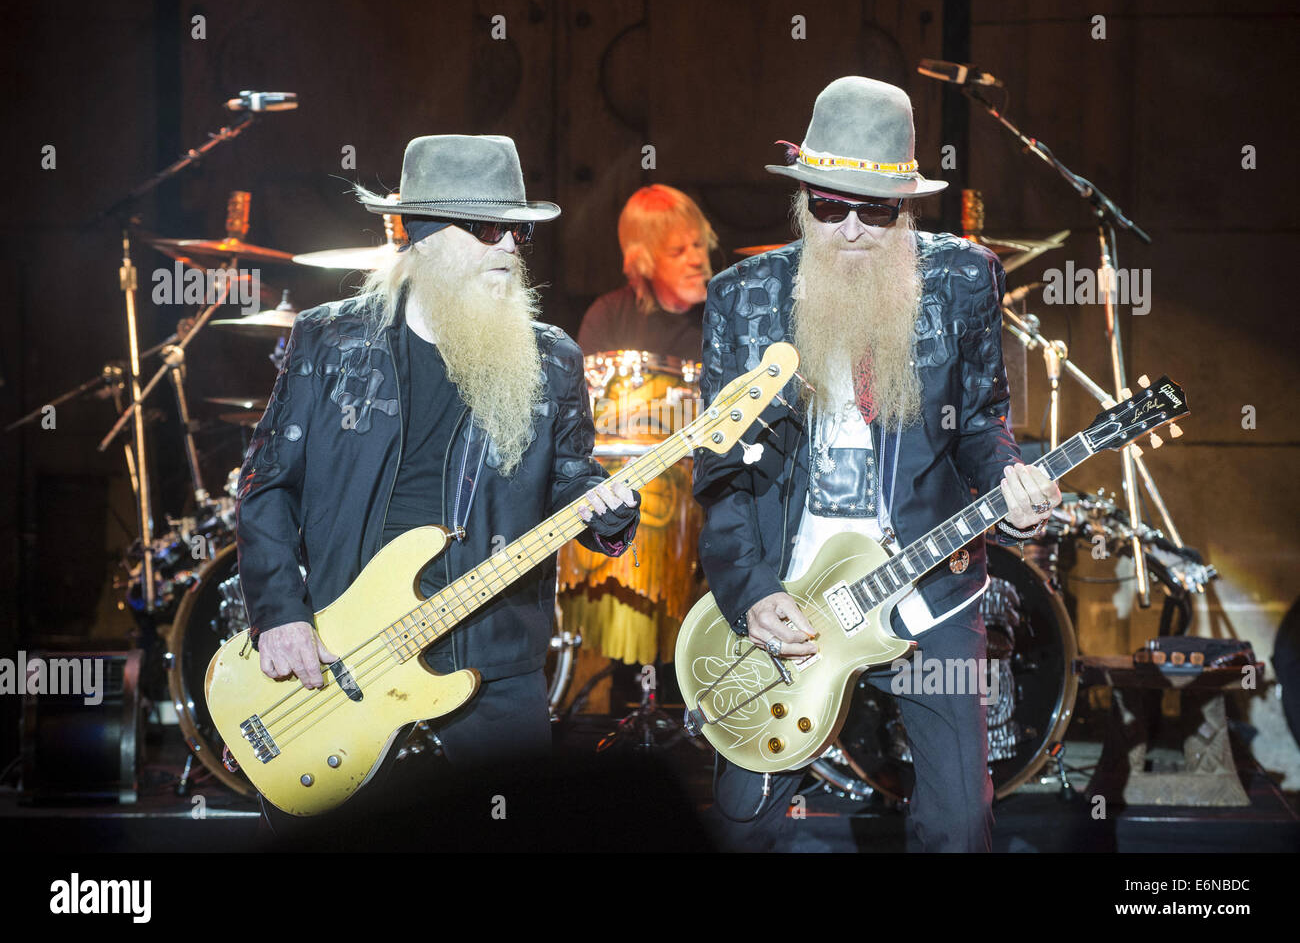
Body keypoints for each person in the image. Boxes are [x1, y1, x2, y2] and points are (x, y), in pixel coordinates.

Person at [692, 77, 1061, 852]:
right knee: (740, 825)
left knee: (962, 822)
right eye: (830, 205)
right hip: (790, 593)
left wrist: (1011, 481)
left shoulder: (963, 280)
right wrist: (753, 591)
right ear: (803, 201)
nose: (853, 227)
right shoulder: (742, 299)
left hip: (927, 588)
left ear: (907, 207)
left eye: (877, 208)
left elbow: (982, 425)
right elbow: (720, 479)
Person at [235, 134, 641, 792]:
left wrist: (608, 509)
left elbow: (573, 478)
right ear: (423, 236)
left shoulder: (552, 356)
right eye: (488, 229)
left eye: (517, 232)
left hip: (493, 656)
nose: (510, 247)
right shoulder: (331, 340)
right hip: (349, 649)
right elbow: (265, 489)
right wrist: (281, 613)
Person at [577, 184, 717, 361]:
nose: (697, 260)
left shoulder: (729, 313)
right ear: (644, 262)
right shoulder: (608, 316)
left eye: (698, 244)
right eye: (677, 251)